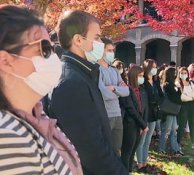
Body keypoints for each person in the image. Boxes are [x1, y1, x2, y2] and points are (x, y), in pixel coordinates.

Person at [0, 5, 82, 174]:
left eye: (52, 48)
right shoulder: (7, 137)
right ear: (6, 61)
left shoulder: (39, 117)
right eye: (44, 48)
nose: (53, 57)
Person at [48, 10, 127, 174]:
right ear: (78, 40)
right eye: (97, 37)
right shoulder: (70, 82)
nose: (101, 44)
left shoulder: (83, 73)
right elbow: (92, 151)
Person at [97, 38, 129, 156]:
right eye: (109, 50)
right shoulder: (96, 70)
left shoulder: (114, 70)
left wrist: (114, 88)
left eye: (112, 50)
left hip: (117, 114)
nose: (112, 53)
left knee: (116, 151)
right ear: (101, 51)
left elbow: (126, 91)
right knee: (105, 151)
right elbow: (103, 94)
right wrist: (117, 92)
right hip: (106, 114)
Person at [120, 66, 149, 173]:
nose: (142, 78)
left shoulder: (142, 90)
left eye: (142, 76)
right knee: (127, 153)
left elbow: (145, 108)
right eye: (140, 76)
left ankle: (129, 171)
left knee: (133, 152)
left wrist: (143, 125)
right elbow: (131, 109)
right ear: (133, 76)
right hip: (130, 124)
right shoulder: (126, 89)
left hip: (139, 125)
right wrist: (143, 125)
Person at [137, 59, 163, 171]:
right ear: (148, 68)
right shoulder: (143, 82)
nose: (155, 69)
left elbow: (160, 96)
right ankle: (140, 164)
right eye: (153, 67)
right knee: (141, 140)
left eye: (156, 66)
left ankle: (145, 162)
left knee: (148, 140)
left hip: (154, 113)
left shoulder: (156, 81)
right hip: (145, 113)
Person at [158, 67, 183, 156]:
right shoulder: (167, 84)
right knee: (166, 131)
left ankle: (175, 149)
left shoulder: (174, 85)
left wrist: (178, 90)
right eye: (174, 73)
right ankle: (161, 148)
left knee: (174, 131)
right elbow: (174, 97)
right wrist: (178, 91)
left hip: (173, 111)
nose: (176, 75)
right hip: (168, 111)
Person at [176, 67, 194, 149]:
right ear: (179, 73)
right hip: (183, 106)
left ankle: (193, 143)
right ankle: (178, 143)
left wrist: (188, 95)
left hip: (192, 106)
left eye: (185, 73)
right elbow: (182, 97)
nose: (183, 74)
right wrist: (190, 97)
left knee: (192, 124)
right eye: (182, 73)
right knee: (182, 125)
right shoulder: (178, 83)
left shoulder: (190, 83)